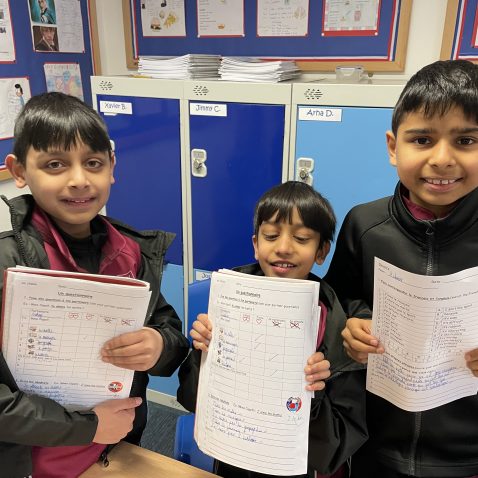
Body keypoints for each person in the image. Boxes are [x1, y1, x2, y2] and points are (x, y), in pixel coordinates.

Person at [0, 92, 189, 478]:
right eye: (55, 164)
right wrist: (88, 425)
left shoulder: (131, 253)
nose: (79, 180)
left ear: (112, 167)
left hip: (116, 451)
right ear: (19, 171)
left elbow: (169, 332)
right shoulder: (7, 265)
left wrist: (158, 345)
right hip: (31, 464)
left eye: (93, 163)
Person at [324, 59, 478, 478]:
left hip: (467, 453)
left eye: (466, 140)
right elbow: (339, 300)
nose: (442, 159)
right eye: (423, 139)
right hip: (376, 440)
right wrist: (354, 324)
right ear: (394, 147)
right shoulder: (365, 225)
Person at [177, 181, 367, 478]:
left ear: (322, 251)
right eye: (271, 236)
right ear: (256, 245)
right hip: (235, 459)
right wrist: (204, 357)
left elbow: (336, 446)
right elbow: (190, 398)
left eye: (302, 238)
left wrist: (313, 397)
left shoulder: (338, 326)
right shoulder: (228, 304)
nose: (283, 248)